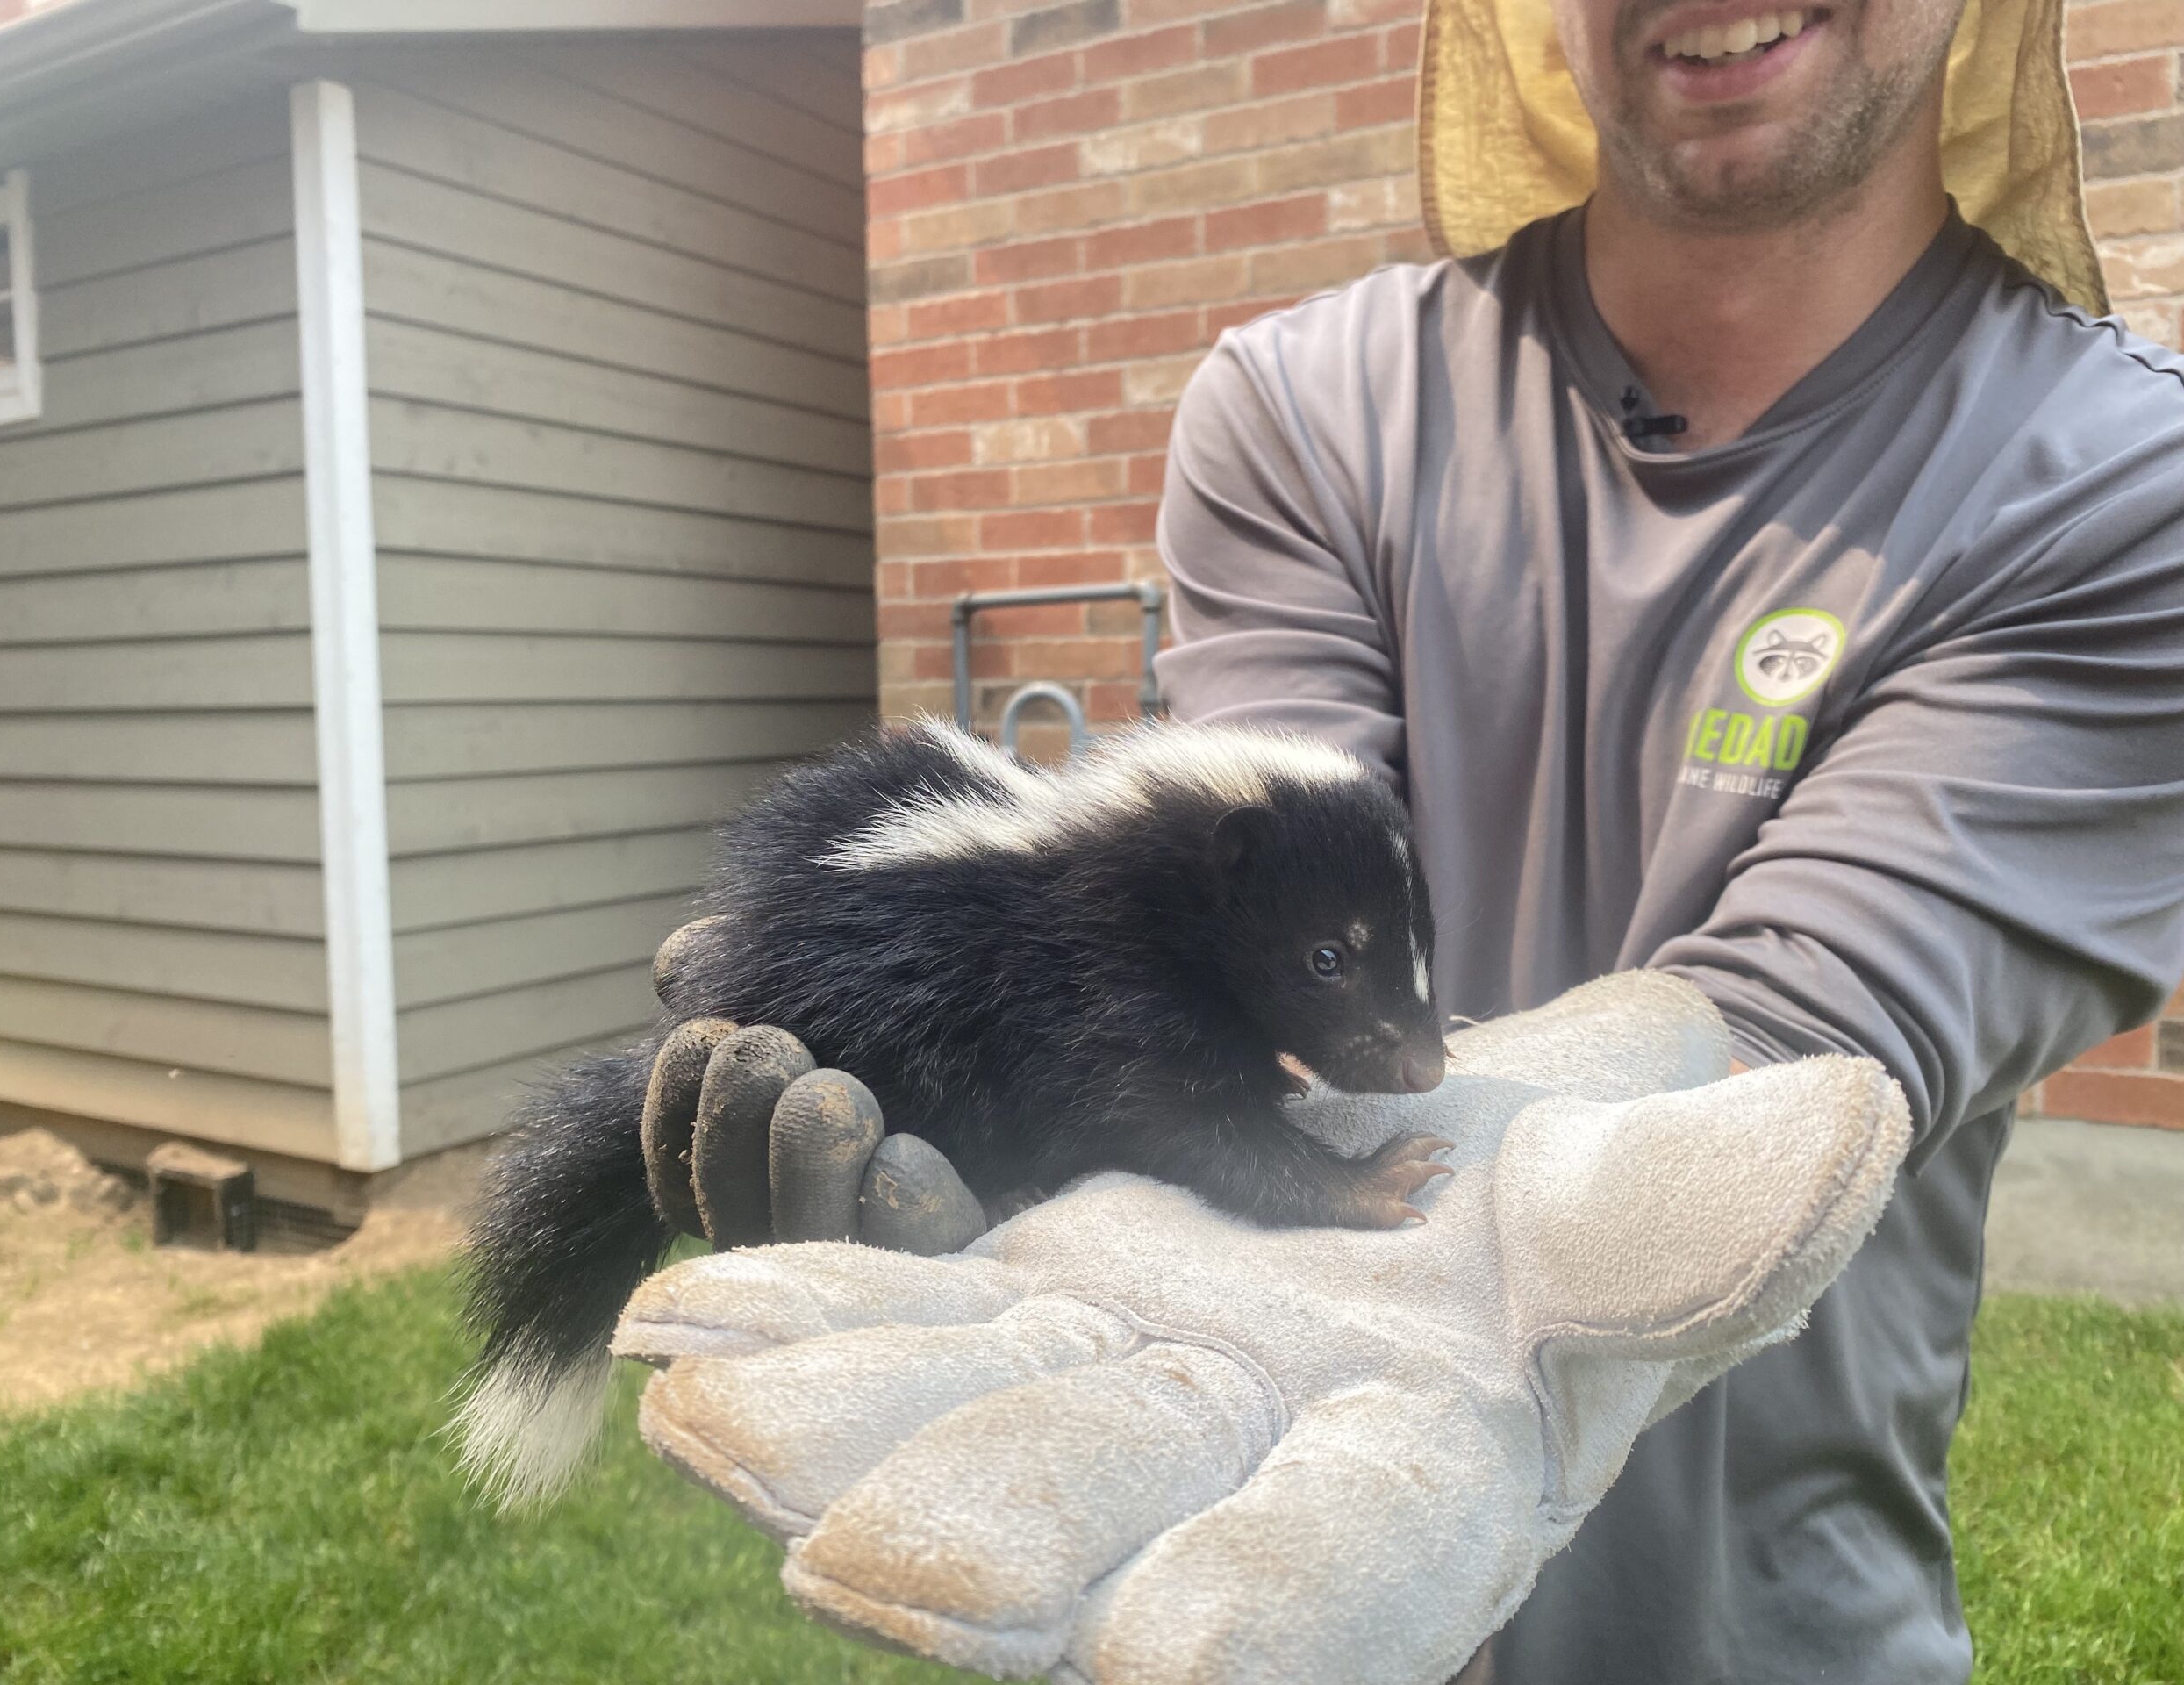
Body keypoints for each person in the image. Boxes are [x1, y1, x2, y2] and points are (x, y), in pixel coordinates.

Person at [654, 0, 2184, 1674]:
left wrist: (1396, 1224)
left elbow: (1811, 1030)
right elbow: (1249, 918)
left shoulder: (2120, 481)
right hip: (1252, 1583)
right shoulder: (1309, 406)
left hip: (1765, 1626)